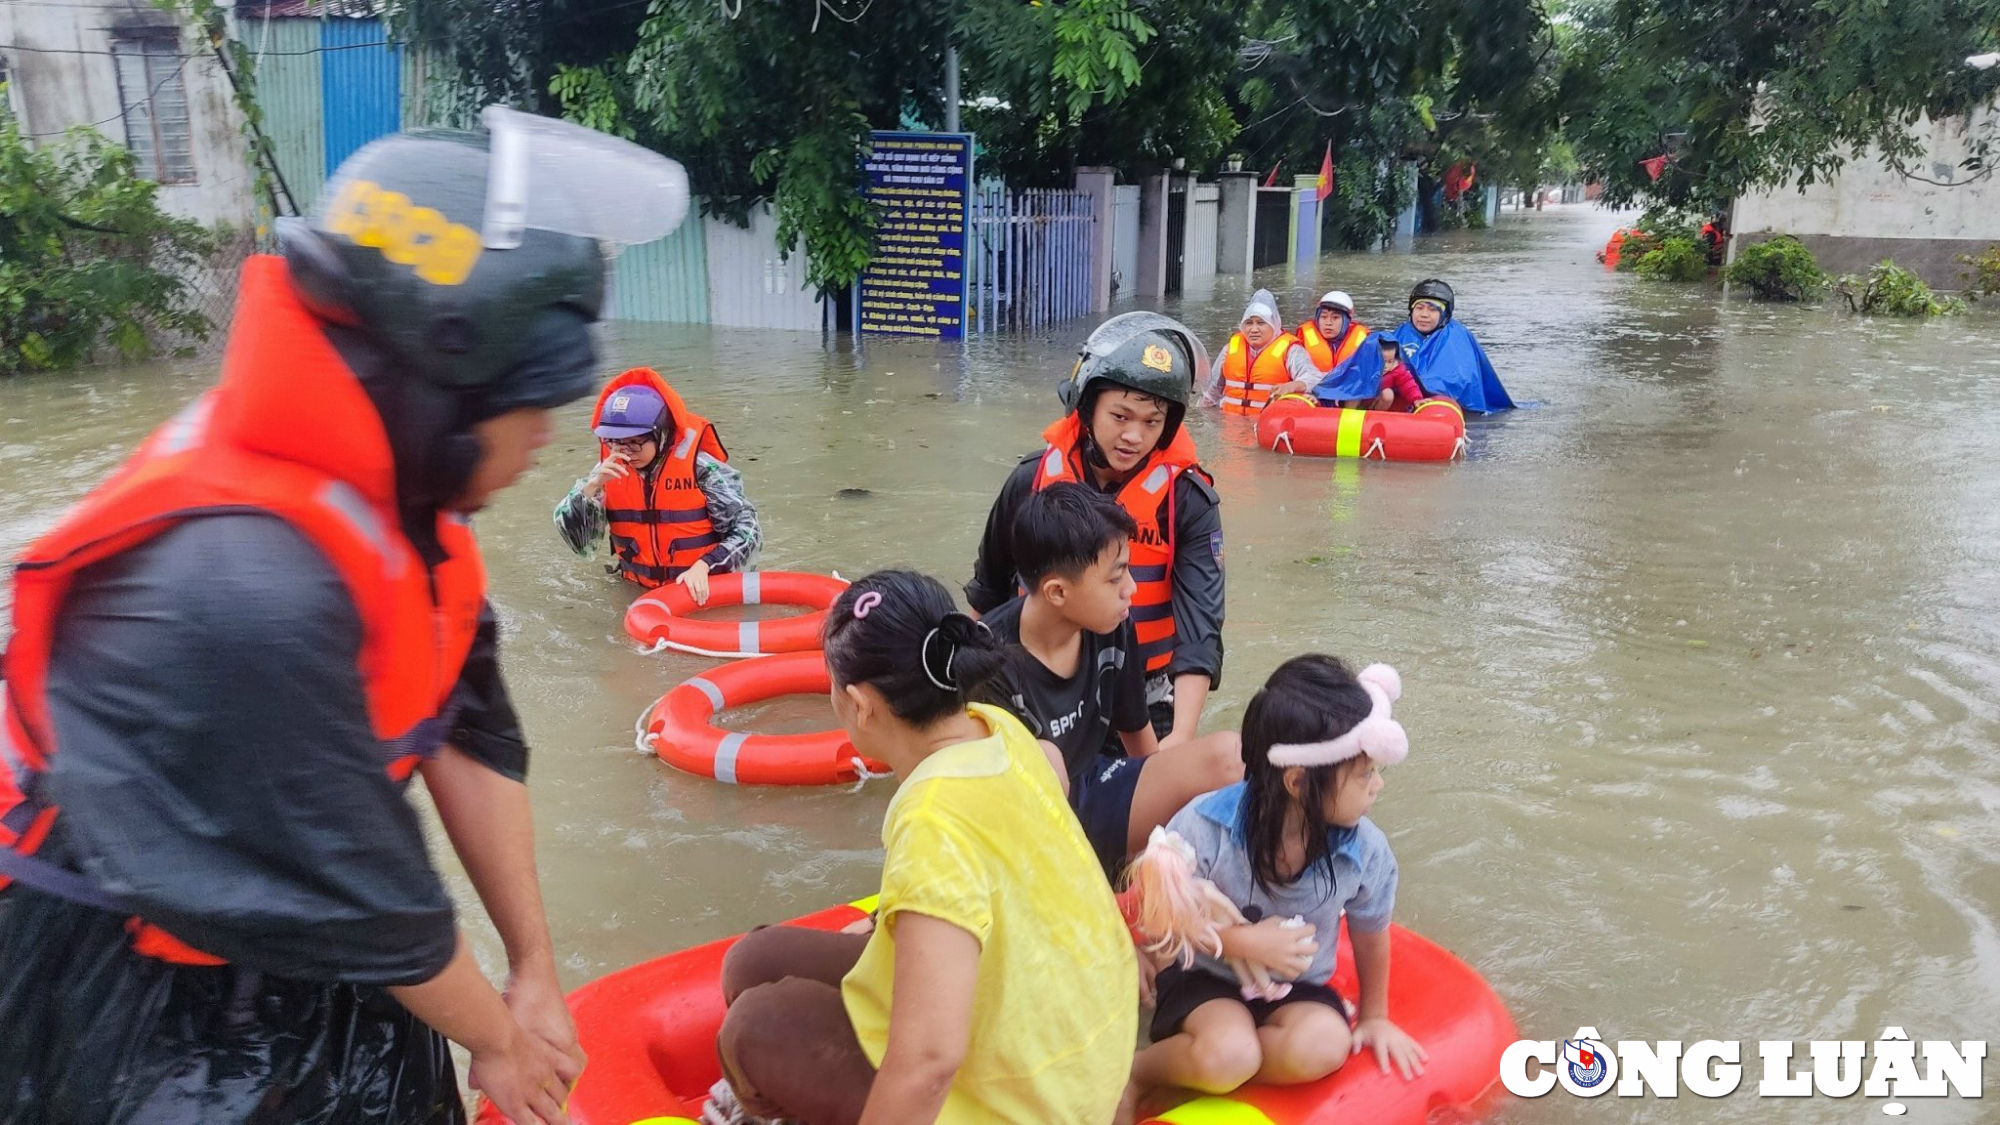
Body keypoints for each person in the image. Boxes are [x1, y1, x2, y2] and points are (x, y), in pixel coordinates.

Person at [0, 110, 689, 1125]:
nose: (551, 433)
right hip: (123, 985)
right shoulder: (245, 589)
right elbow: (367, 900)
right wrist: (494, 1039)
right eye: (530, 402)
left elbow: (474, 737)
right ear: (440, 385)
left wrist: (534, 970)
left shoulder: (412, 520)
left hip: (327, 937)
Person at [709, 571, 1138, 1125]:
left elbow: (931, 1060)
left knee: (753, 1029)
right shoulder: (997, 727)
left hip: (1028, 1105)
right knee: (753, 961)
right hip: (1077, 1048)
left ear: (861, 705)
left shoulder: (932, 815)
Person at [1132, 656, 1428, 1098]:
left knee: (1327, 1046)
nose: (1376, 786)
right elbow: (1160, 917)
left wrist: (1374, 1016)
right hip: (1209, 977)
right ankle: (1138, 1073)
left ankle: (1209, 1067)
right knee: (1231, 1051)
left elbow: (1371, 929)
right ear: (1299, 782)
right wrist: (1238, 943)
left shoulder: (1364, 850)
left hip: (1299, 987)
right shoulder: (1204, 825)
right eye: (1365, 773)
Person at [966, 312, 1224, 751]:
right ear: (1087, 407)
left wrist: (1180, 738)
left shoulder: (1188, 501)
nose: (1133, 436)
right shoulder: (1030, 481)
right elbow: (987, 594)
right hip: (1035, 687)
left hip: (1144, 695)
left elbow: (1200, 629)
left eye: (1151, 423)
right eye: (1120, 416)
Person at [975, 483, 1242, 877]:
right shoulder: (987, 665)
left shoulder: (1111, 626)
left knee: (1229, 757)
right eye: (1116, 577)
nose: (1131, 589)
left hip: (1095, 788)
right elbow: (993, 807)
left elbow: (1140, 743)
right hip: (1029, 829)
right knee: (1048, 769)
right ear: (1057, 592)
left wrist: (1159, 839)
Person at [553, 366, 760, 603]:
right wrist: (590, 490)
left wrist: (705, 566)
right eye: (615, 443)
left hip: (699, 590)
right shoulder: (606, 473)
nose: (625, 452)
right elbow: (582, 546)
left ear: (660, 435)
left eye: (635, 443)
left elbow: (748, 531)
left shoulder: (702, 468)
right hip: (637, 590)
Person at [1392, 279, 1514, 413]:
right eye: (1419, 308)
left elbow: (1455, 379)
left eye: (1432, 309)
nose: (1424, 315)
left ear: (1444, 314)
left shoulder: (1455, 335)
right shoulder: (1404, 331)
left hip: (1442, 405)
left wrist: (1413, 386)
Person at [1202, 289, 1319, 415]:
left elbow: (1314, 379)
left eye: (1261, 323)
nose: (1253, 329)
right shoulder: (1230, 348)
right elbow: (1212, 392)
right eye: (1249, 323)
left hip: (1270, 423)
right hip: (1230, 422)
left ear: (1273, 324)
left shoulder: (1291, 350)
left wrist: (1292, 386)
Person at [1312, 333, 1427, 412]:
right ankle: (1348, 414)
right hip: (1359, 397)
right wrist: (1319, 393)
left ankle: (1376, 415)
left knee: (1388, 394)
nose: (1386, 366)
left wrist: (1417, 399)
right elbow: (1341, 380)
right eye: (1382, 361)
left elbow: (1408, 384)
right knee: (1355, 390)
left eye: (1390, 361)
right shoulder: (1360, 366)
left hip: (1376, 399)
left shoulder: (1397, 368)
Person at [1280, 291, 1371, 391]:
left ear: (1347, 321)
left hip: (1349, 393)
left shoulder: (1363, 339)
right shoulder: (1303, 338)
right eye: (1323, 317)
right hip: (1313, 392)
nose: (1328, 323)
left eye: (1335, 318)